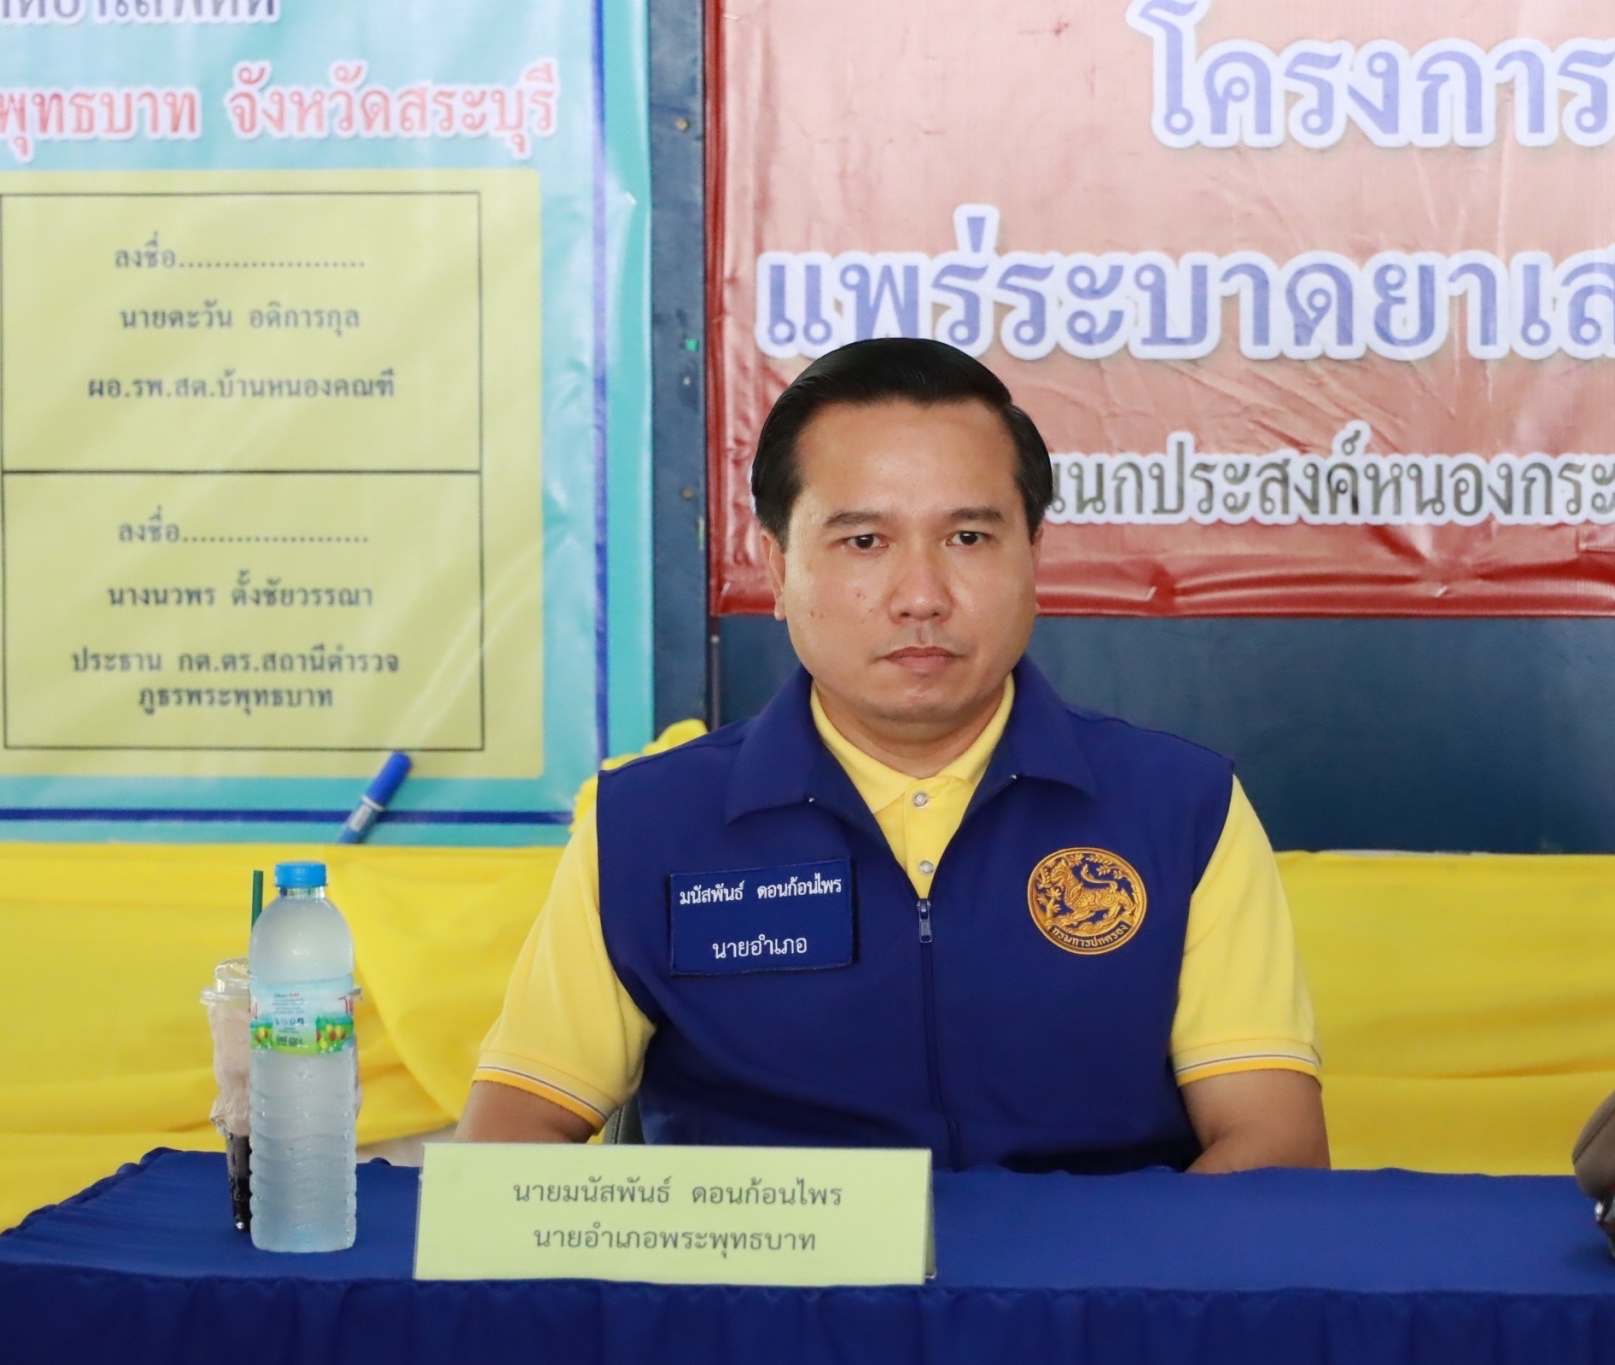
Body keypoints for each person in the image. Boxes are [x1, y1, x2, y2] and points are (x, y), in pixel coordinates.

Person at [459, 337, 1327, 1174]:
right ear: (777, 566)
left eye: (969, 538)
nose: (921, 596)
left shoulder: (1181, 808)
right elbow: (508, 1141)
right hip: (760, 1273)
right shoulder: (648, 825)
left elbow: (1274, 1145)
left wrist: (1099, 1275)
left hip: (1094, 1276)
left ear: (1034, 556)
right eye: (865, 541)